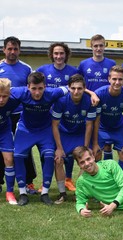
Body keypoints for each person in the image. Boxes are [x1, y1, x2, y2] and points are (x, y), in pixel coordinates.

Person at [11, 71, 69, 206]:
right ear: (27, 87)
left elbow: (70, 87)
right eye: (33, 89)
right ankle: (22, 193)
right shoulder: (20, 92)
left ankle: (44, 193)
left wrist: (93, 94)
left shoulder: (52, 93)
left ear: (45, 87)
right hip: (26, 129)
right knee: (18, 156)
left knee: (49, 156)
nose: (37, 93)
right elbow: (4, 88)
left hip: (45, 130)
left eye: (40, 88)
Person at [37, 42, 79, 192]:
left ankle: (68, 178)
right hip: (47, 115)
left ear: (66, 55)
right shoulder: (43, 70)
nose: (59, 56)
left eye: (62, 53)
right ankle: (45, 181)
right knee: (48, 150)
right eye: (56, 53)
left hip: (66, 116)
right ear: (51, 55)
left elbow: (80, 88)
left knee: (68, 149)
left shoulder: (74, 71)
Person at [51, 74, 97, 204]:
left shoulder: (89, 101)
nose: (76, 91)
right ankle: (62, 194)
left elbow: (89, 125)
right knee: (58, 160)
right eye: (73, 88)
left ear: (84, 88)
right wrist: (59, 148)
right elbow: (54, 125)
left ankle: (81, 193)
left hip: (80, 133)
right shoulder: (61, 101)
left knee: (86, 161)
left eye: (79, 88)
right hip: (64, 133)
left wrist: (86, 147)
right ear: (69, 88)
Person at [0, 36, 37, 195]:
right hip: (3, 114)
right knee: (3, 150)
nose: (12, 52)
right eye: (9, 49)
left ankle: (28, 182)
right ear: (4, 50)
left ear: (19, 50)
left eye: (15, 49)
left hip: (22, 115)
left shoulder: (27, 68)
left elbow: (32, 89)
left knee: (25, 148)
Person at [78, 34, 116, 161]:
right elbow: (79, 84)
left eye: (101, 45)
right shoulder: (83, 64)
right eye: (96, 46)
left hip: (106, 105)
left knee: (107, 142)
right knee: (91, 139)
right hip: (89, 104)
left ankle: (108, 168)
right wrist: (92, 93)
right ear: (91, 47)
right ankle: (93, 166)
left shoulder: (111, 63)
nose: (98, 48)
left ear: (105, 46)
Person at [92, 65, 123, 173]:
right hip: (102, 128)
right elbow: (96, 120)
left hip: (118, 127)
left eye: (120, 79)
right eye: (114, 79)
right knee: (96, 154)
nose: (117, 82)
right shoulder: (100, 94)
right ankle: (103, 180)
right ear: (109, 79)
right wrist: (95, 143)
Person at [0, 78, 21, 204]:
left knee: (9, 159)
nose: (1, 100)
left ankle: (10, 192)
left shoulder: (14, 99)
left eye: (4, 96)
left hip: (4, 132)